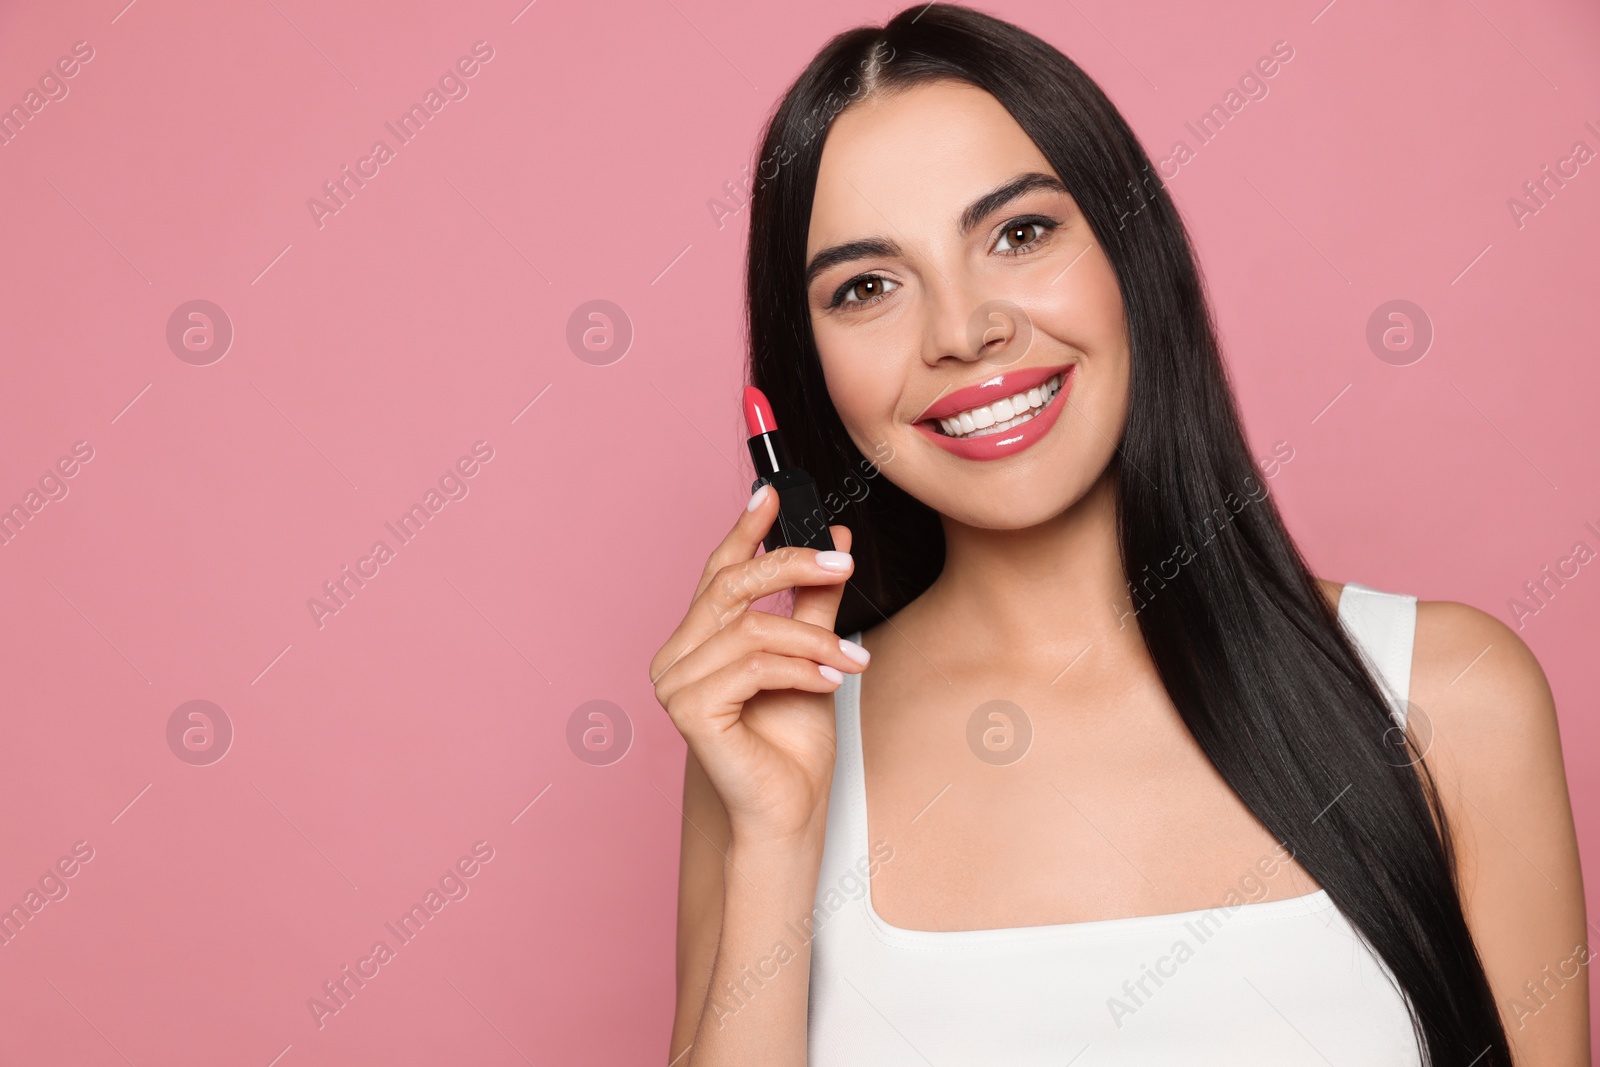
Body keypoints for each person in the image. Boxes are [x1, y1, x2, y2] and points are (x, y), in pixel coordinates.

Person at [650, 5, 1588, 1064]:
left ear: (1130, 248)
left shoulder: (1450, 698)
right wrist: (775, 839)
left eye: (1019, 232)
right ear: (807, 365)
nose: (964, 331)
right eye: (867, 287)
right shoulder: (774, 746)